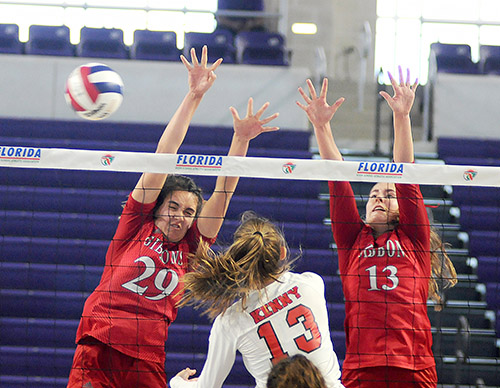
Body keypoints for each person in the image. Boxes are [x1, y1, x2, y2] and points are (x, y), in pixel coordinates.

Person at [67, 45, 280, 388]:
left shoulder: (193, 245)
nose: (180, 217)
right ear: (158, 207)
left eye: (189, 212)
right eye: (174, 207)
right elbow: (165, 153)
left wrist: (240, 140)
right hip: (100, 341)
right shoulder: (136, 224)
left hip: (148, 352)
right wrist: (194, 95)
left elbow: (224, 191)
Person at [297, 68, 457, 388]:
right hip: (362, 367)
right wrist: (321, 125)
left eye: (388, 194)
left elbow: (405, 173)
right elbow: (338, 179)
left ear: (403, 207)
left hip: (414, 367)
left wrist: (402, 117)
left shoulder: (414, 237)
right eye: (373, 195)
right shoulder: (351, 239)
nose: (379, 199)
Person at [169, 211, 344, 388]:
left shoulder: (230, 321)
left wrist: (176, 382)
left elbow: (207, 386)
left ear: (239, 261)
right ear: (282, 253)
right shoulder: (311, 283)